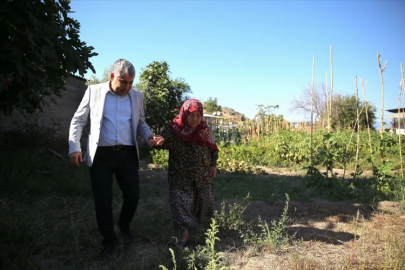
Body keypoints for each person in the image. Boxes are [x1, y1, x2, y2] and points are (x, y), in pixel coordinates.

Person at [68, 59, 164, 261]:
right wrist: (74, 147)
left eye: (131, 83)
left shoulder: (137, 96)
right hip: (101, 154)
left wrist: (149, 136)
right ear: (112, 76)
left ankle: (123, 225)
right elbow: (78, 120)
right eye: (124, 82)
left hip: (127, 154)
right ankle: (109, 241)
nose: (128, 87)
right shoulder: (94, 92)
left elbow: (140, 123)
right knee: (103, 201)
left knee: (133, 195)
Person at [153, 99, 219, 249]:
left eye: (198, 115)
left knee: (205, 201)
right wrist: (159, 141)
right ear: (184, 114)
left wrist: (213, 165)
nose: (194, 119)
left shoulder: (203, 129)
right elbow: (162, 141)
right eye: (191, 115)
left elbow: (212, 148)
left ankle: (201, 229)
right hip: (180, 175)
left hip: (202, 175)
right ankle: (184, 233)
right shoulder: (174, 128)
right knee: (180, 203)